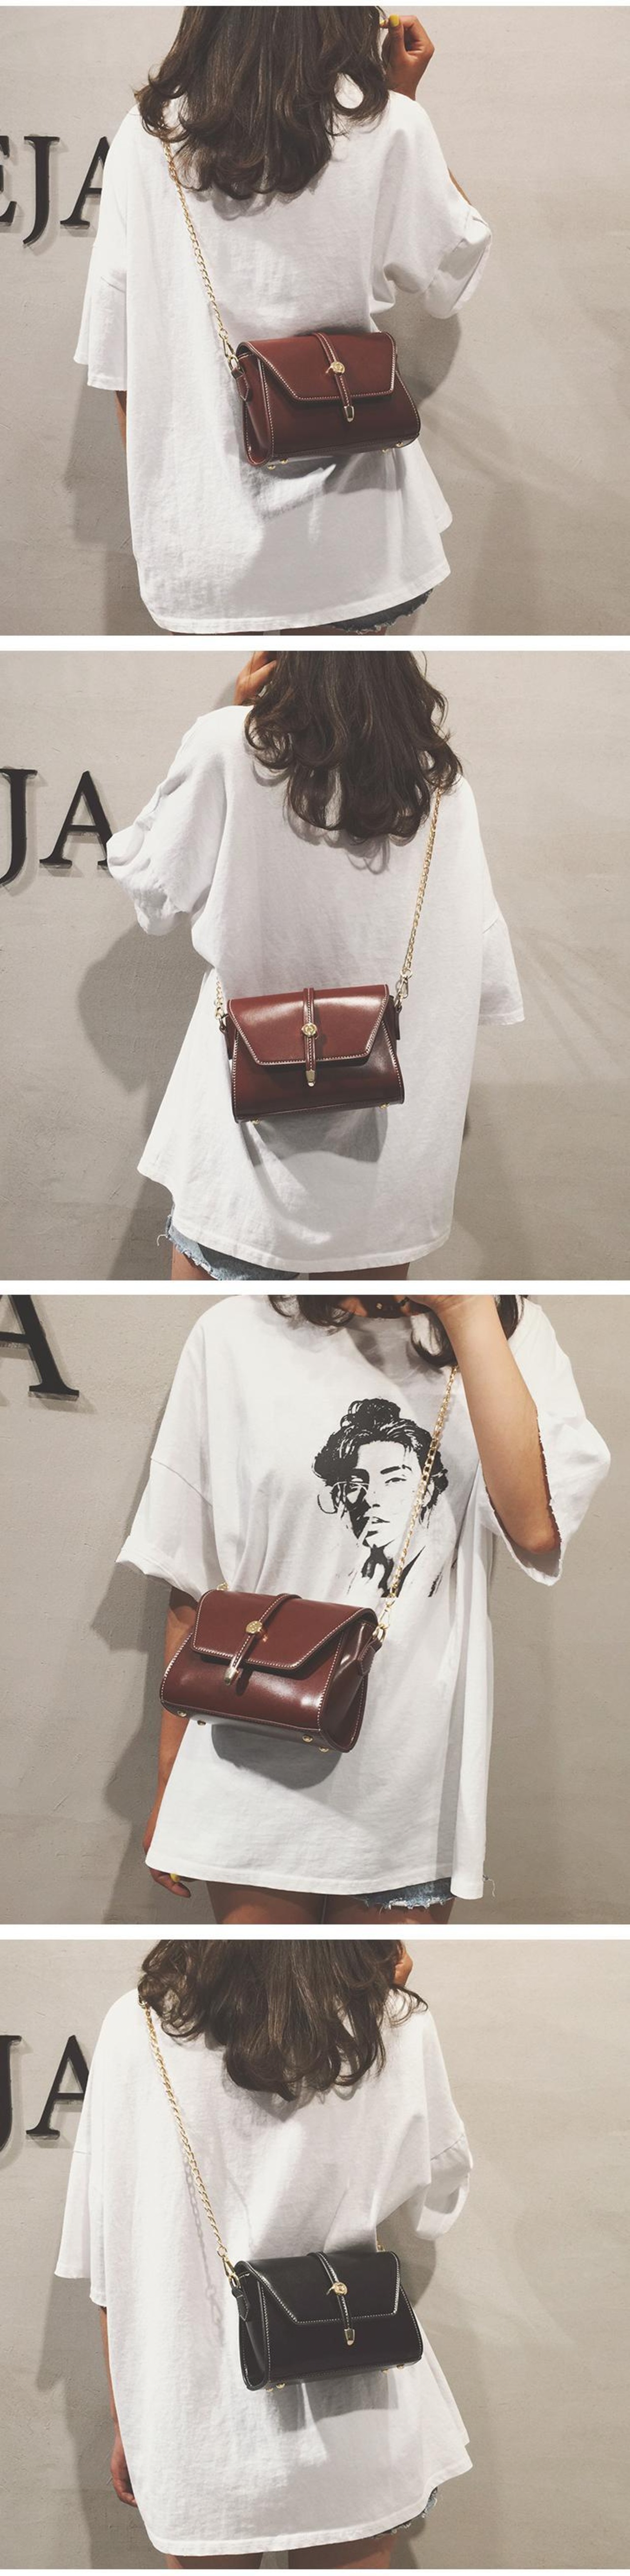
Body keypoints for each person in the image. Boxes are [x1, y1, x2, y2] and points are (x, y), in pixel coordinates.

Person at [115, 1292, 610, 1921]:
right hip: (244, 1759)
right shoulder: (233, 1332)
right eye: (354, 1484)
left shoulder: (508, 1329)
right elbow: (191, 1575)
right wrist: (169, 1781)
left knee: (371, 1987)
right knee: (263, 1981)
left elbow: (535, 1526)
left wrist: (464, 1308)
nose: (369, 1499)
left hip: (406, 1779)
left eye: (393, 1479)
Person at [56, 1938, 473, 2570]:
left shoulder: (135, 2022)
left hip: (192, 2413)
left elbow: (110, 2246)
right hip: (355, 2402)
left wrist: (129, 2416)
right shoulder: (390, 2019)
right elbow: (436, 2201)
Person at [106, 650, 522, 1280]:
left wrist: (239, 717)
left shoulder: (230, 743)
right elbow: (479, 965)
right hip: (388, 1173)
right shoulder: (440, 785)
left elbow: (155, 889)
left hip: (241, 1152)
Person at [74, 8, 491, 634]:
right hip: (361, 538)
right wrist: (402, 100)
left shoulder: (148, 134)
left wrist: (173, 511)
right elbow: (454, 269)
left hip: (209, 552)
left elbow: (118, 349)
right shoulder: (386, 124)